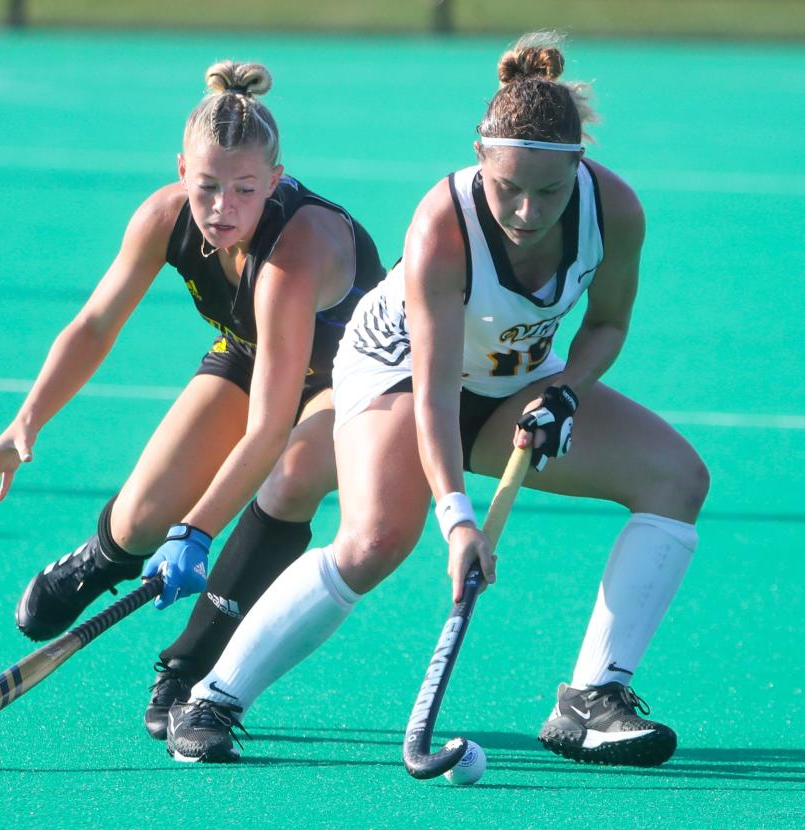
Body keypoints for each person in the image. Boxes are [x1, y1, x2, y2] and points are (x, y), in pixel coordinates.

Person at [164, 32, 710, 767]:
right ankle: (212, 700)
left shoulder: (614, 210)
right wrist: (457, 521)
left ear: (578, 170)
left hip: (515, 373)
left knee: (677, 479)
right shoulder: (441, 227)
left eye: (548, 192)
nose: (525, 210)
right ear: (480, 158)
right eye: (508, 187)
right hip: (399, 372)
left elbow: (608, 324)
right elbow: (435, 393)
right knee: (379, 538)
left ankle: (592, 698)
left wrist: (568, 394)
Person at [0, 60, 385, 740]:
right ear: (181, 170)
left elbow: (272, 424)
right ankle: (103, 558)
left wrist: (198, 531)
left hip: (355, 378)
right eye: (206, 186)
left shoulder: (295, 253)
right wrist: (27, 419)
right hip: (254, 355)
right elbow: (96, 324)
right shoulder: (164, 217)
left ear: (275, 182)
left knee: (293, 475)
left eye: (244, 190)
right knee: (138, 520)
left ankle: (191, 669)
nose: (222, 207)